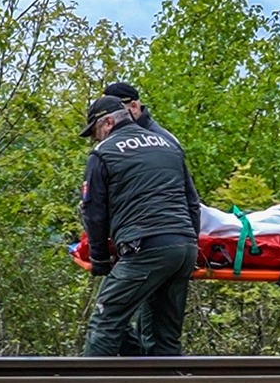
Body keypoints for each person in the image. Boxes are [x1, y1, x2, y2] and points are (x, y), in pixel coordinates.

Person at [79, 95, 201, 356]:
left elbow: (94, 212)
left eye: (95, 131)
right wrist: (192, 243)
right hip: (184, 247)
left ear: (109, 122)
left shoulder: (103, 153)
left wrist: (99, 260)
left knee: (106, 321)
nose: (95, 139)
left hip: (144, 247)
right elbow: (193, 202)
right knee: (164, 338)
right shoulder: (168, 145)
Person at [103, 81, 180, 146]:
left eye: (115, 112)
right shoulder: (112, 138)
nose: (110, 120)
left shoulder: (165, 140)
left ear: (134, 107)